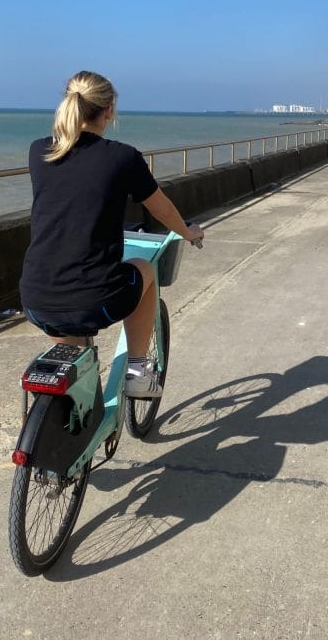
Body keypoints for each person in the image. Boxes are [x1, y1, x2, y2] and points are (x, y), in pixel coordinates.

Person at [19, 70, 204, 398]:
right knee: (145, 271)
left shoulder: (39, 151)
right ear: (109, 110)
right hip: (96, 301)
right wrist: (187, 232)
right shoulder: (122, 157)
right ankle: (137, 371)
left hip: (35, 300)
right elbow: (161, 209)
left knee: (74, 352)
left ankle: (76, 414)